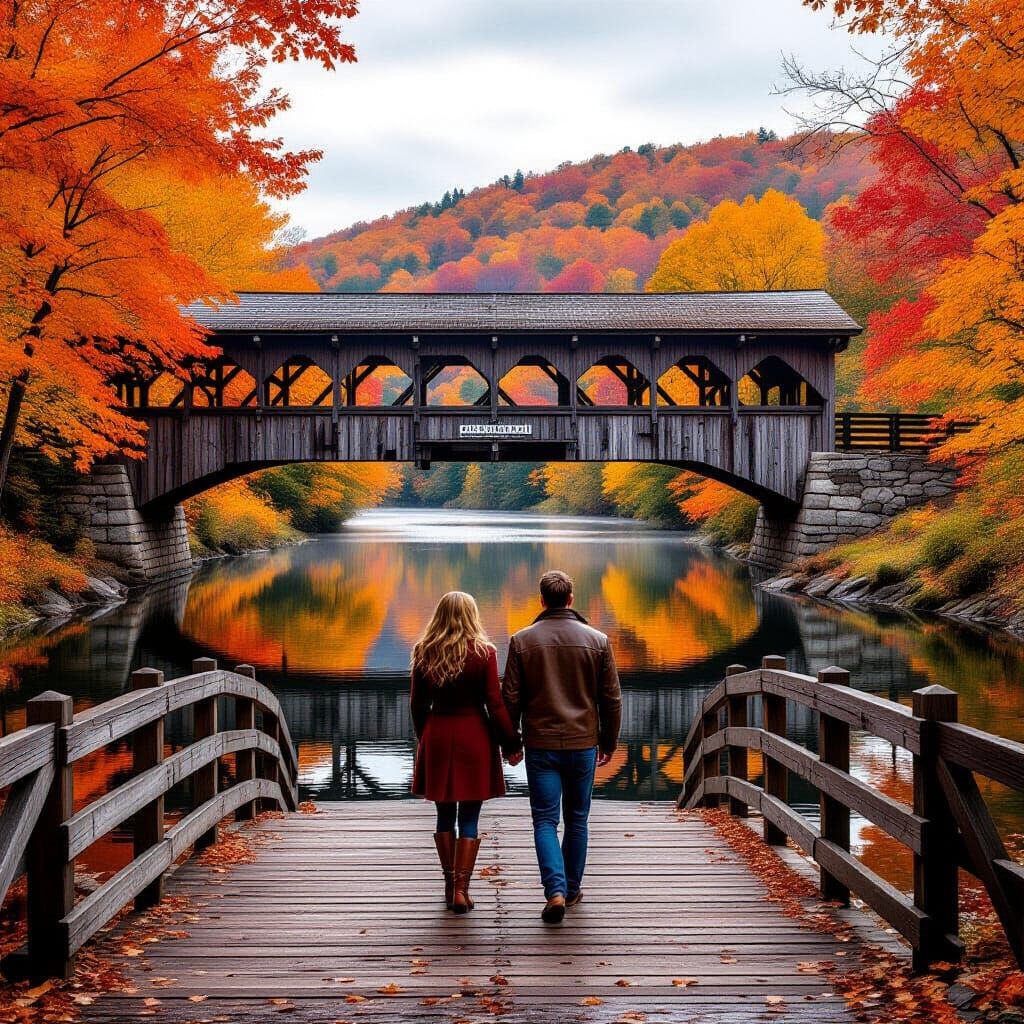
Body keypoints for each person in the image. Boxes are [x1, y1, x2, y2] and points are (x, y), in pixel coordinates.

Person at [502, 570, 621, 924]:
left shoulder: (522, 641)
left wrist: (510, 742)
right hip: (583, 743)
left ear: (541, 600)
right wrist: (609, 741)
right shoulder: (598, 640)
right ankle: (571, 889)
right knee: (578, 818)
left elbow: (510, 699)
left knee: (544, 820)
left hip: (541, 745)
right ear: (571, 599)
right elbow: (611, 699)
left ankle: (554, 891)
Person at [410, 591, 521, 914]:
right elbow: (495, 703)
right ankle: (462, 890)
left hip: (439, 733)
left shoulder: (423, 651)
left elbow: (418, 704)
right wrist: (511, 743)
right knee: (469, 816)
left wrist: (425, 737)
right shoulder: (484, 652)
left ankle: (449, 886)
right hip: (475, 735)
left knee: (444, 814)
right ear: (472, 615)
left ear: (439, 615)